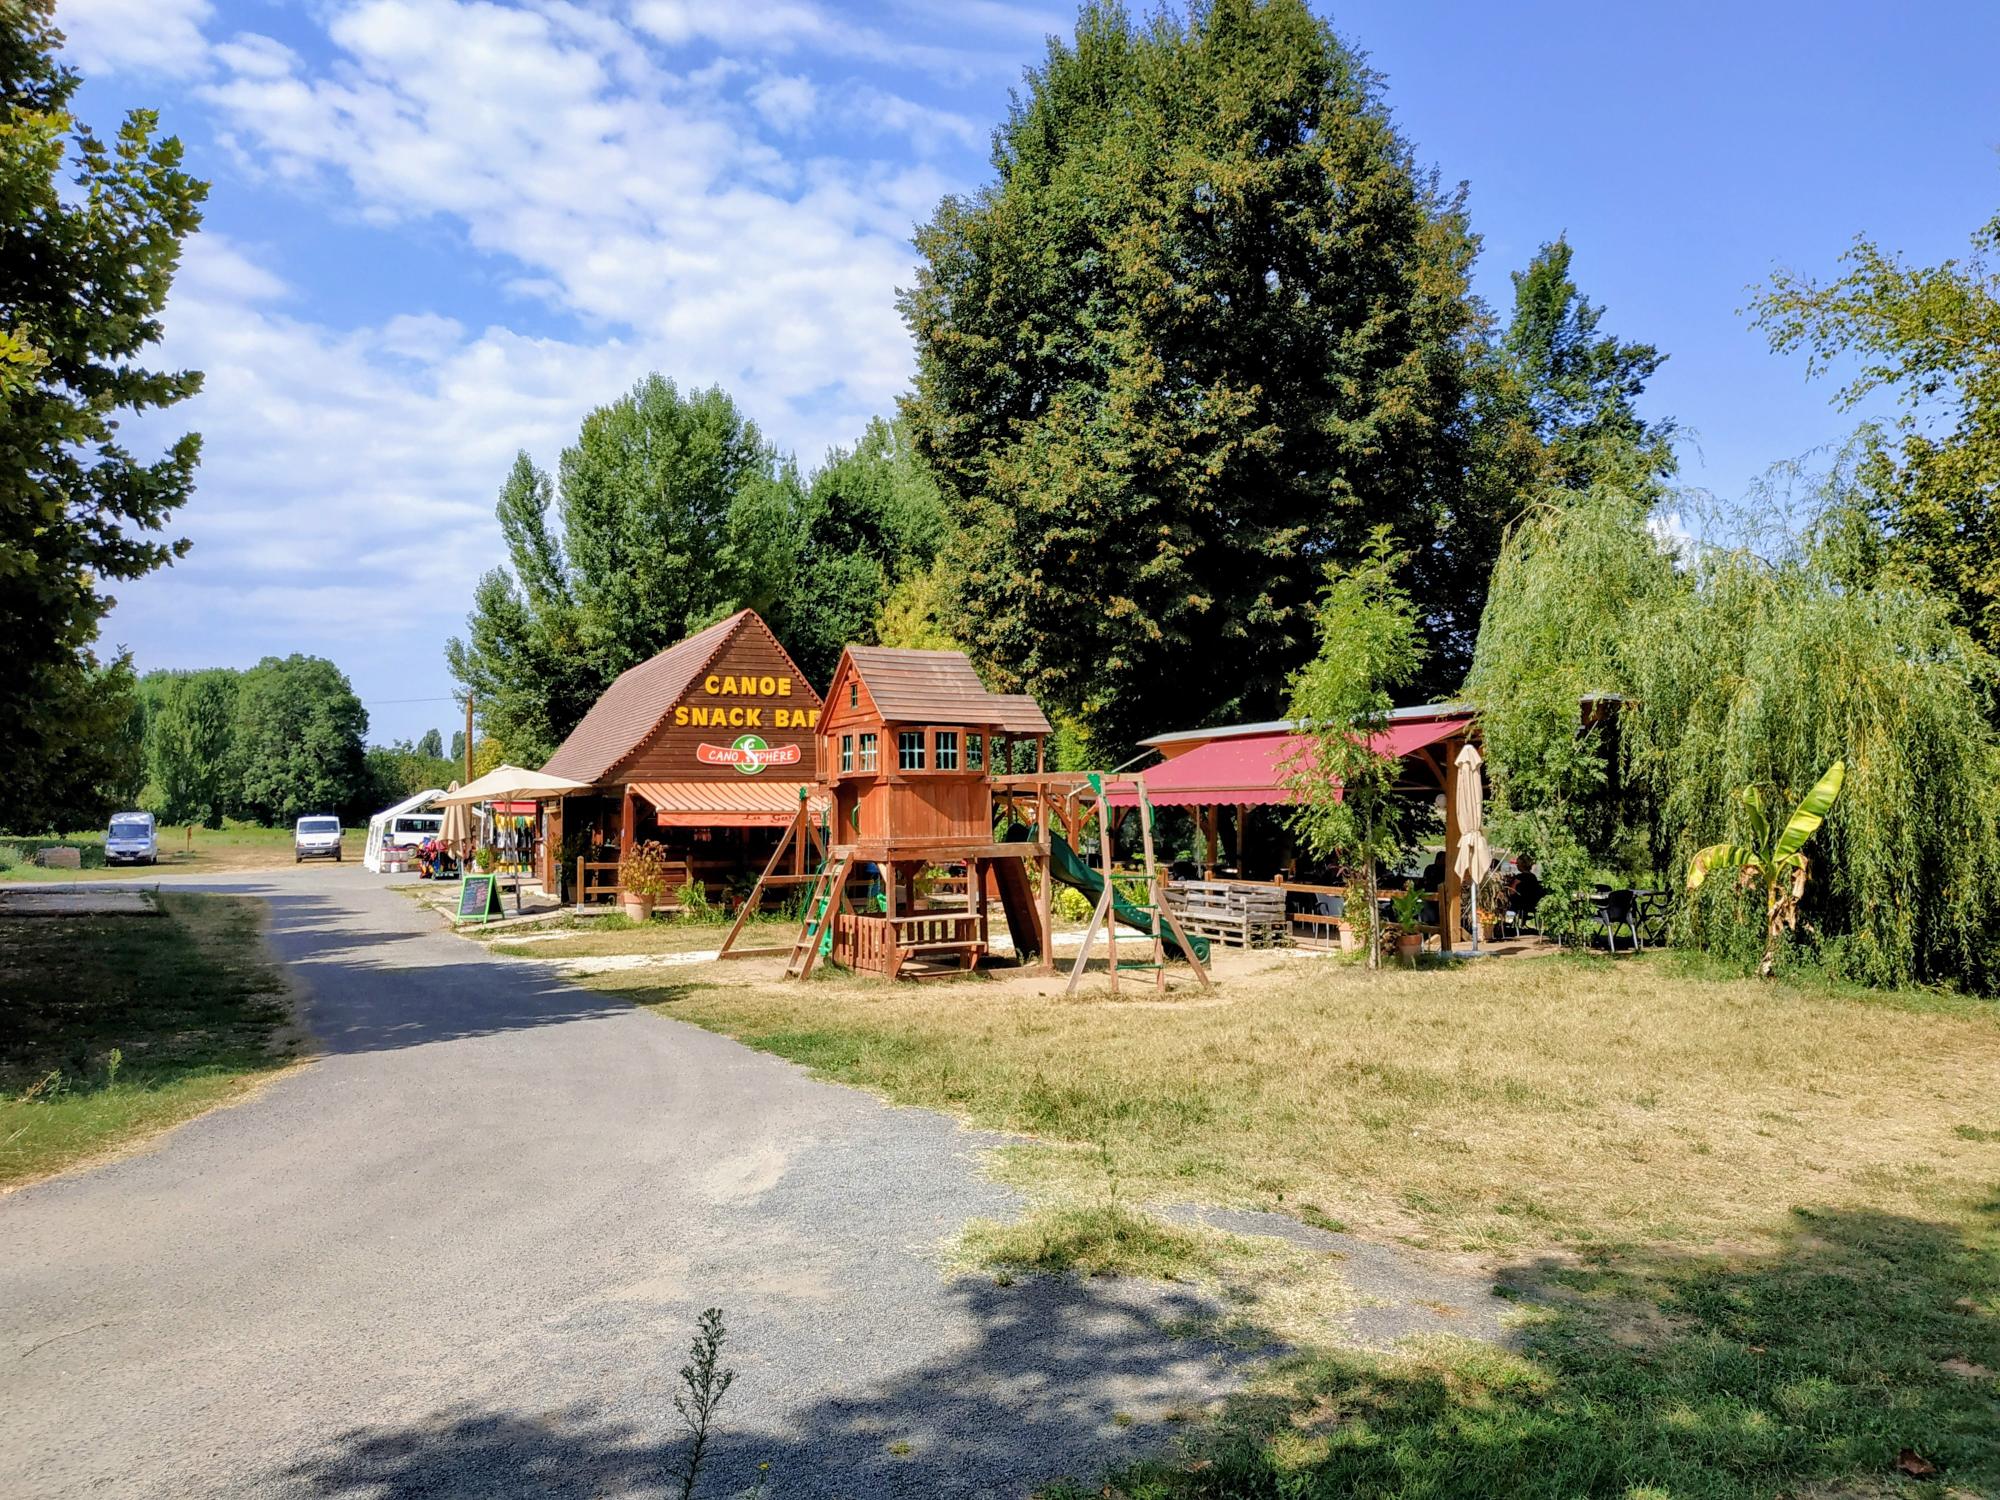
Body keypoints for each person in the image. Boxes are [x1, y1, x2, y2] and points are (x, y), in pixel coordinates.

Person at [1511, 856, 1544, 926]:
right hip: (1532, 903)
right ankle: (1523, 921)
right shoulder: (1533, 877)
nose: (1516, 865)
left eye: (1517, 864)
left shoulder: (1519, 877)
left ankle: (1508, 921)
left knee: (1510, 903)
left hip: (1521, 904)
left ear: (1521, 865)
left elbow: (1512, 891)